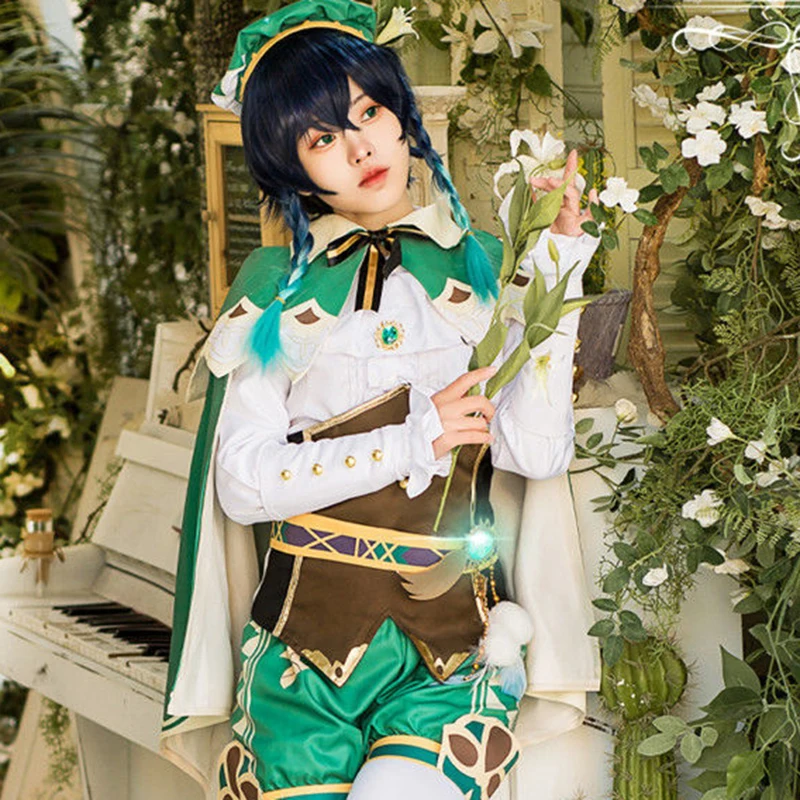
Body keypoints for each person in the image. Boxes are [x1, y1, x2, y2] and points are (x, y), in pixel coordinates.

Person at [161, 2, 600, 798]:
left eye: (369, 113)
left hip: (453, 651)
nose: (361, 147)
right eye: (322, 138)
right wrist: (409, 442)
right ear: (293, 170)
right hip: (299, 661)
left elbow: (535, 454)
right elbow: (243, 482)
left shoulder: (483, 270)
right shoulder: (274, 295)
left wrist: (557, 271)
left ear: (402, 118)